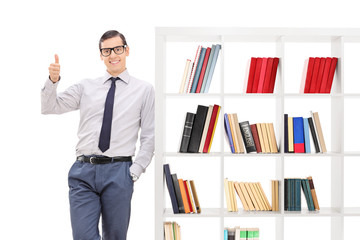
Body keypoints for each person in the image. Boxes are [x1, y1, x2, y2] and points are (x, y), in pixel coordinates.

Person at [41, 30, 155, 240]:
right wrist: (53, 80)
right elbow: (50, 107)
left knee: (115, 237)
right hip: (83, 171)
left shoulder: (144, 90)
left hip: (119, 171)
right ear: (100, 55)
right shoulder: (86, 87)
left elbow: (149, 135)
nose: (113, 55)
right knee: (83, 236)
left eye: (117, 49)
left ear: (127, 50)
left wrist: (135, 171)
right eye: (107, 51)